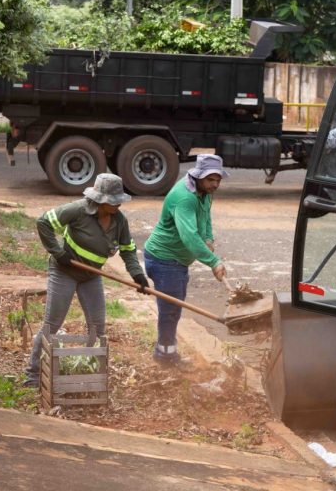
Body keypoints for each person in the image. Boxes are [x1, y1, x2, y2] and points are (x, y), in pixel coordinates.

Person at [23, 173, 149, 387]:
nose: (118, 204)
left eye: (120, 199)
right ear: (100, 199)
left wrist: (138, 275)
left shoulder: (119, 220)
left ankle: (91, 374)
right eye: (113, 200)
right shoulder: (79, 210)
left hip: (92, 276)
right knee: (52, 324)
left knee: (97, 327)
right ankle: (33, 375)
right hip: (65, 272)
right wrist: (57, 252)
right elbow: (44, 221)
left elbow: (128, 250)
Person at [144, 154, 228, 364]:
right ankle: (165, 355)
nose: (215, 184)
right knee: (170, 311)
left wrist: (208, 237)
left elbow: (206, 216)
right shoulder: (185, 197)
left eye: (218, 180)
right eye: (211, 180)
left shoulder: (205, 192)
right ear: (198, 176)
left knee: (174, 309)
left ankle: (166, 352)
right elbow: (189, 237)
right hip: (164, 260)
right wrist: (213, 261)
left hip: (177, 262)